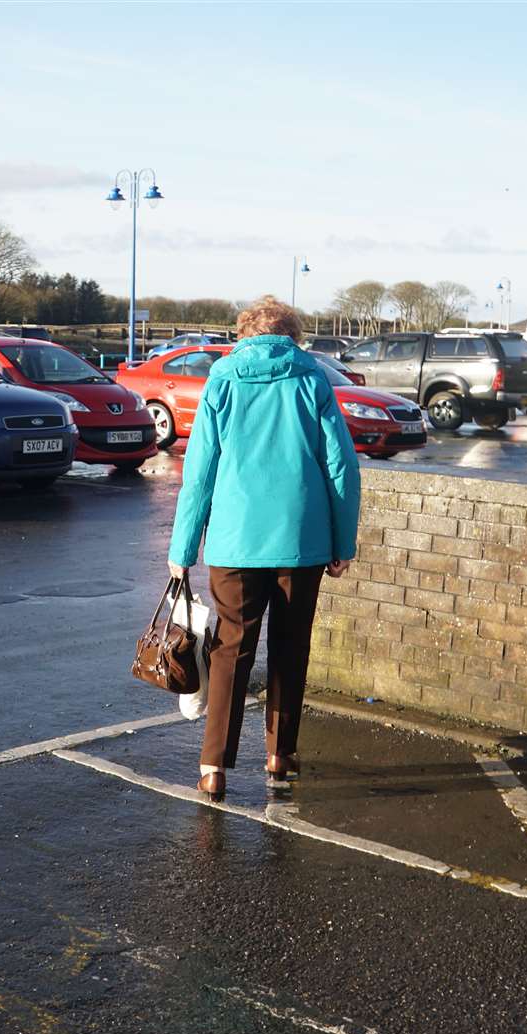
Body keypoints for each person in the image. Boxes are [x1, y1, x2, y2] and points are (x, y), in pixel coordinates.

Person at [167, 296, 362, 801]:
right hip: (302, 539)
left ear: (243, 334)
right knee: (291, 646)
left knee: (230, 649)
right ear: (292, 334)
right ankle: (280, 754)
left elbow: (200, 471)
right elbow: (341, 467)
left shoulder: (222, 379)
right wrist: (343, 542)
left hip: (234, 542)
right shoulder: (313, 378)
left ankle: (214, 767)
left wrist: (183, 546)